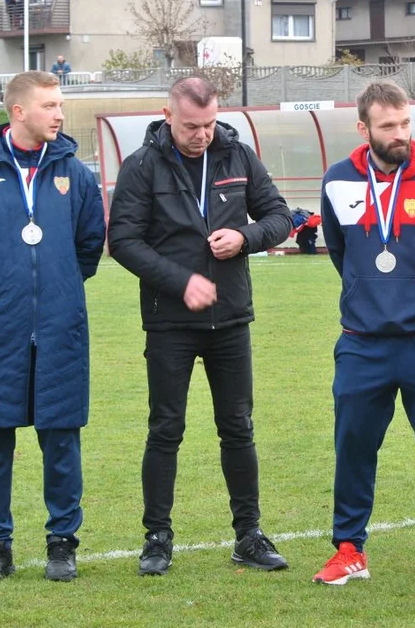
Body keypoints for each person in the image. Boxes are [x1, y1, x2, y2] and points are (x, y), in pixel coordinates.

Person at [107, 77, 293, 576]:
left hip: (231, 318)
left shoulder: (238, 156)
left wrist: (247, 236)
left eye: (210, 123)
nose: (203, 134)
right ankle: (157, 538)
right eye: (192, 126)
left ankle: (248, 536)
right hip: (170, 322)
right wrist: (180, 281)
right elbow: (123, 241)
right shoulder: (142, 166)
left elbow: (280, 216)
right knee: (166, 429)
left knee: (238, 428)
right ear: (168, 116)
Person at [0, 71, 105, 583]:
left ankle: (61, 543)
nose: (59, 114)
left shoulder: (78, 176)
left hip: (59, 329)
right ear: (18, 112)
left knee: (61, 440)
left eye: (60, 104)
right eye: (49, 105)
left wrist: (55, 293)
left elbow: (88, 249)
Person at [313, 81, 415, 588]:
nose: (400, 134)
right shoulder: (338, 180)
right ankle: (349, 549)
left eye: (405, 123)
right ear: (364, 128)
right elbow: (341, 252)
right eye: (388, 126)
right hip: (362, 342)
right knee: (353, 446)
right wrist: (367, 292)